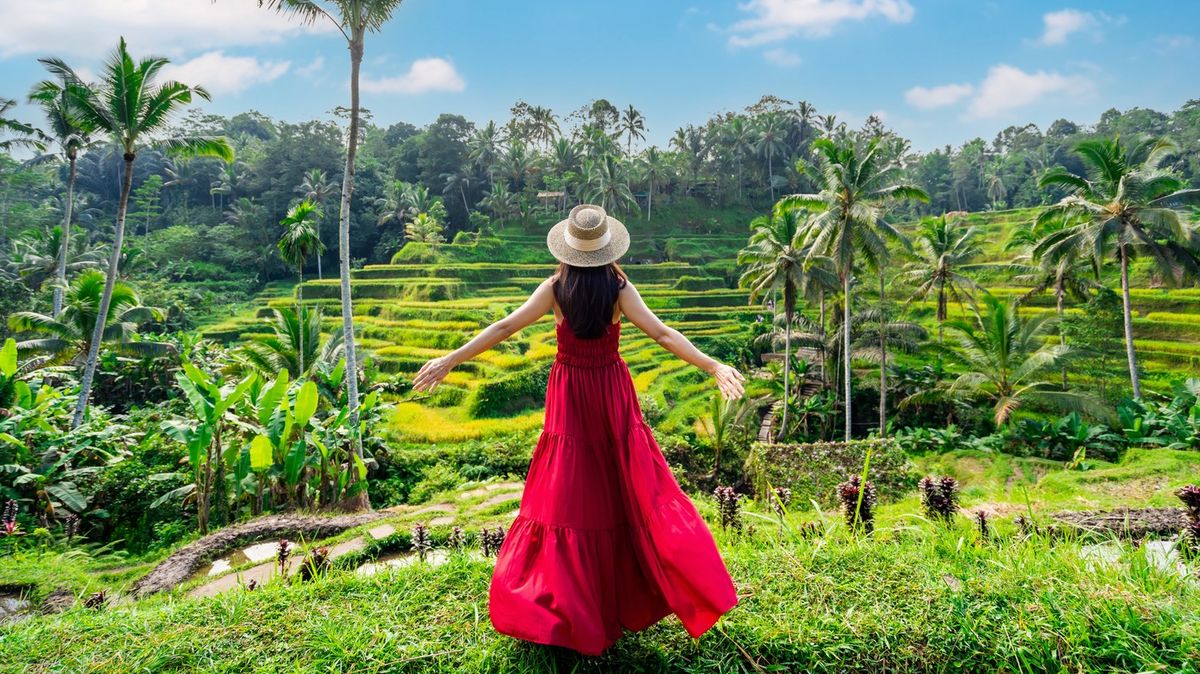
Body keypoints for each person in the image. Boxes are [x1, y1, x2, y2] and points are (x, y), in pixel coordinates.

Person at [412, 204, 744, 656]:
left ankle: (571, 608)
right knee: (622, 484)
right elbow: (663, 335)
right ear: (608, 249)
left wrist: (451, 358)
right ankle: (628, 593)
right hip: (610, 390)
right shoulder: (620, 289)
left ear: (567, 249)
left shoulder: (554, 288)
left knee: (570, 493)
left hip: (570, 391)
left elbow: (507, 325)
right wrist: (712, 364)